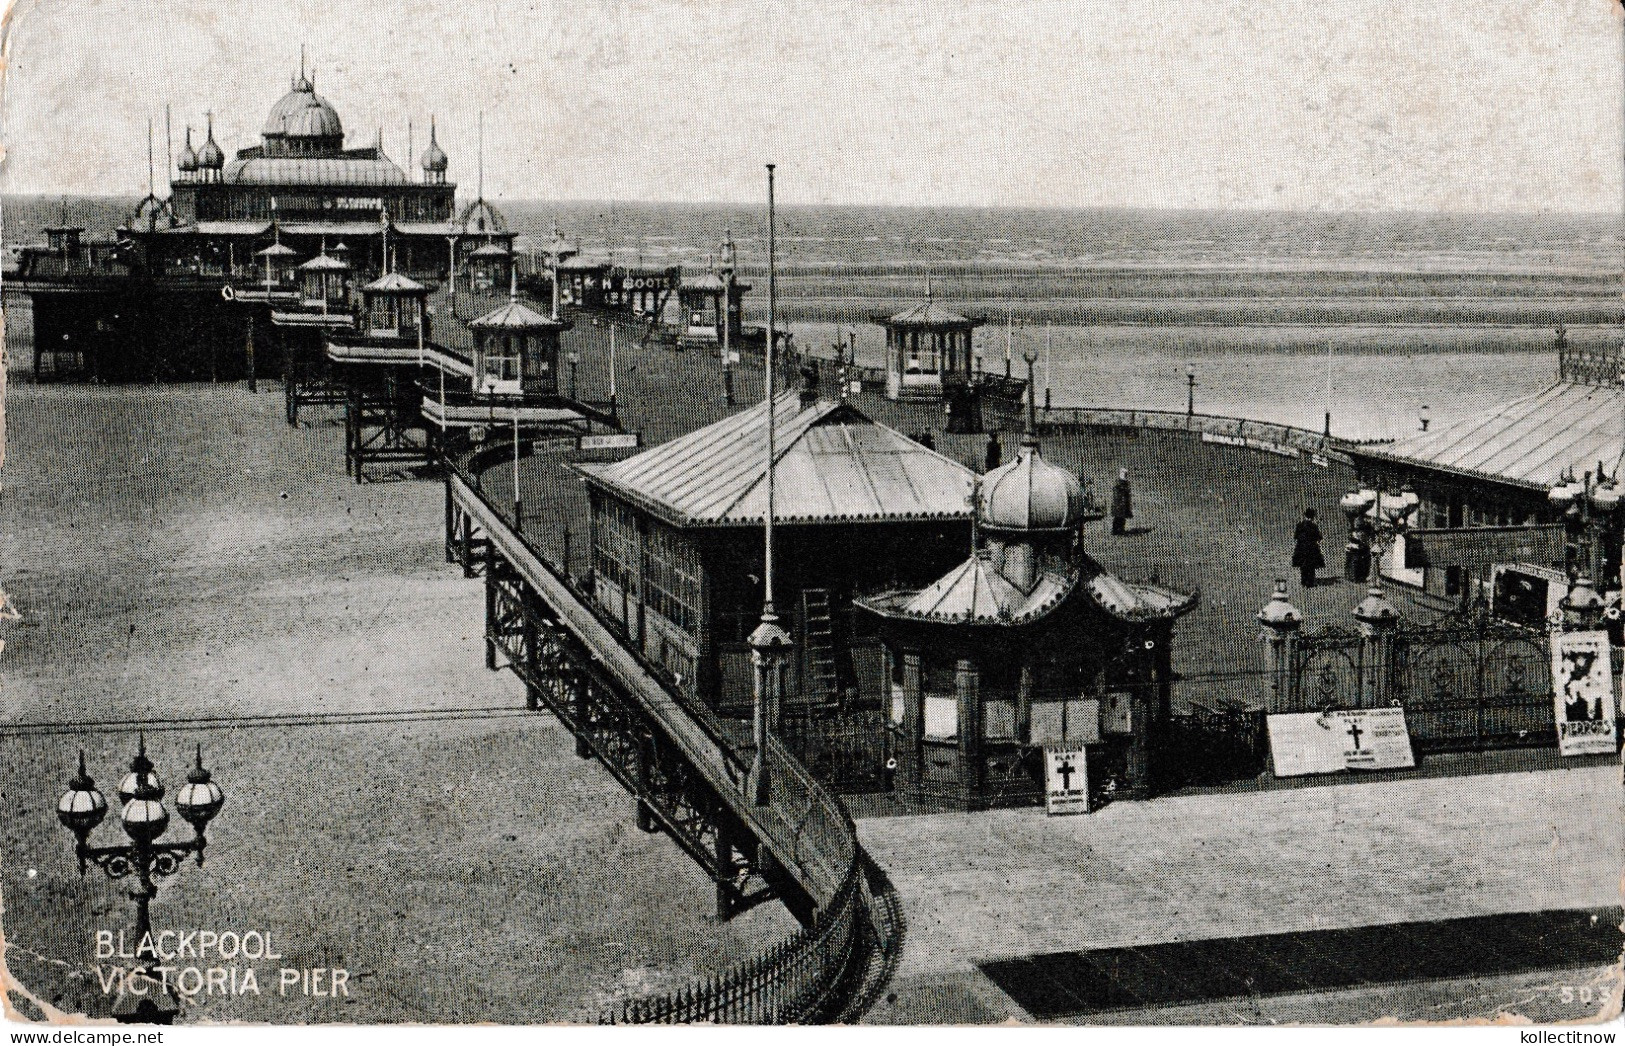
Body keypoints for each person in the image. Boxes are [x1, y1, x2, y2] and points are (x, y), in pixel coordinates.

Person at [1293, 508, 1325, 588]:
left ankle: (1303, 582)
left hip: (1301, 548)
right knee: (1311, 567)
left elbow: (1296, 536)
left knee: (1303, 566)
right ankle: (1310, 583)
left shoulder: (1300, 525)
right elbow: (1319, 537)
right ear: (1313, 516)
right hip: (1311, 548)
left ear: (1305, 515)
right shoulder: (1313, 526)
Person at [1110, 469, 1133, 535]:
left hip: (1122, 503)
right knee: (1118, 517)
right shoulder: (1118, 484)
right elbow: (1119, 494)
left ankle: (1119, 530)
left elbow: (1126, 494)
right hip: (1119, 503)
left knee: (1121, 517)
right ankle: (1116, 530)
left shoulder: (1122, 483)